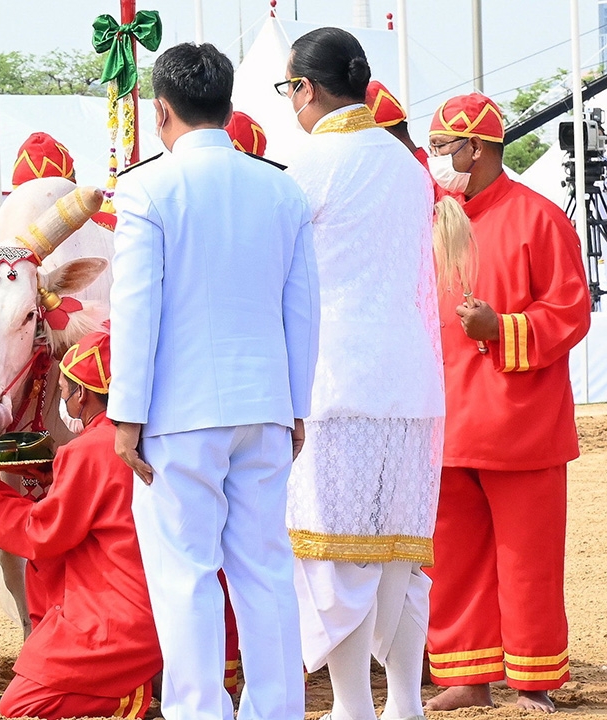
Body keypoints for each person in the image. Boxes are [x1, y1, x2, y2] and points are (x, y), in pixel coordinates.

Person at [109, 42, 319, 720]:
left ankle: (199, 712)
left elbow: (135, 308)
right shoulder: (280, 186)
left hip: (178, 411)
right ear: (230, 107)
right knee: (265, 570)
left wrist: (125, 415)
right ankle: (276, 711)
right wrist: (296, 407)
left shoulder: (146, 187)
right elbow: (302, 306)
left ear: (161, 110)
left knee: (185, 574)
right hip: (264, 405)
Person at [280, 28, 444, 720]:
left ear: (308, 88)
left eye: (289, 89)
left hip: (336, 383)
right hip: (412, 383)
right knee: (400, 553)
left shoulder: (311, 166)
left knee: (335, 554)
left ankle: (353, 706)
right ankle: (403, 700)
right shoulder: (408, 166)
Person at [423, 93, 590, 714]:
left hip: (520, 423)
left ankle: (534, 678)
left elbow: (570, 313)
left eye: (445, 146)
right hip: (446, 421)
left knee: (527, 561)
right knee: (455, 558)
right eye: (435, 145)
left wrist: (502, 328)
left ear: (482, 148)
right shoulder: (434, 221)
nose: (437, 157)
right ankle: (467, 675)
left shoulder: (540, 218)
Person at [0, 327, 161, 720]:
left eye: (65, 390)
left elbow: (42, 533)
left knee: (20, 705)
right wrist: (55, 477)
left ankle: (129, 698)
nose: (64, 399)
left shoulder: (89, 450)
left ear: (82, 394)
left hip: (115, 616)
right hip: (160, 603)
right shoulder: (153, 439)